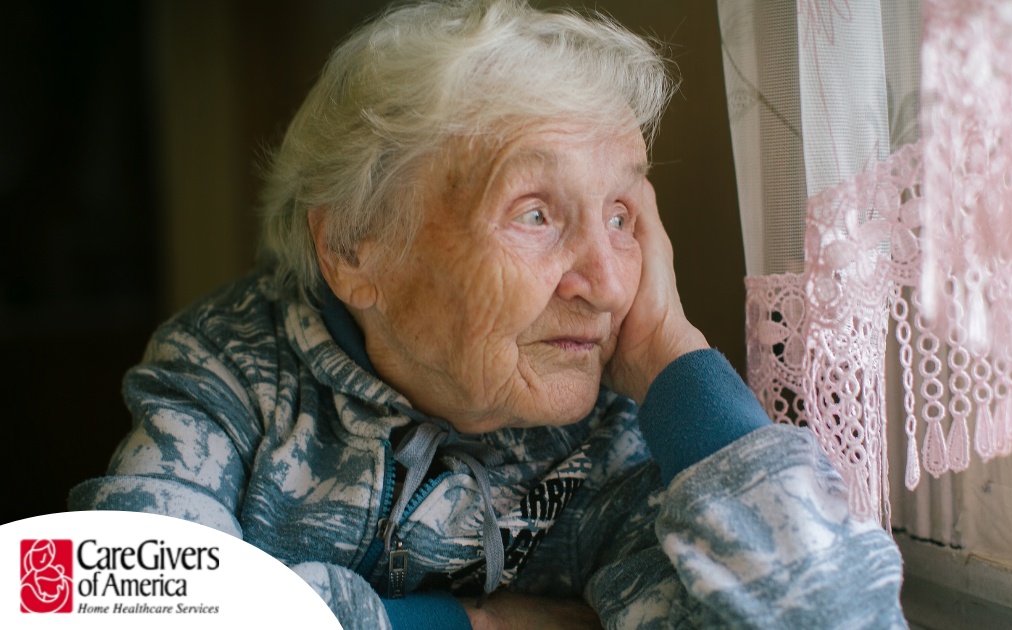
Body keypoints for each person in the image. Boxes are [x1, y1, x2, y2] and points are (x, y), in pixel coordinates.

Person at [70, 1, 907, 628]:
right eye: (536, 212)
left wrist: (674, 359)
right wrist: (469, 623)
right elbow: (95, 598)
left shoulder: (616, 434)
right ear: (355, 247)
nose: (609, 286)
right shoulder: (230, 370)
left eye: (621, 215)